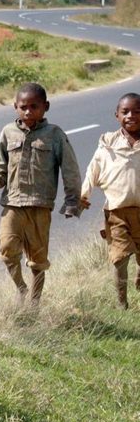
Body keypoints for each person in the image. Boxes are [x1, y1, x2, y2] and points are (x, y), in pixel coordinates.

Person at [0, 82, 81, 307]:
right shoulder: (8, 132)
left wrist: (72, 201)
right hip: (13, 204)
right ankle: (21, 288)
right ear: (15, 107)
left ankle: (34, 304)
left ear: (46, 107)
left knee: (38, 260)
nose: (28, 111)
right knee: (7, 250)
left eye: (34, 106)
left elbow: (70, 170)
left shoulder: (54, 135)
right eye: (23, 107)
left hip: (40, 205)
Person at [81, 93, 140, 309]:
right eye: (125, 112)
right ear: (117, 115)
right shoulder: (108, 145)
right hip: (117, 213)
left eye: (137, 111)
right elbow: (92, 171)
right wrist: (83, 195)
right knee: (120, 258)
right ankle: (122, 302)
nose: (131, 116)